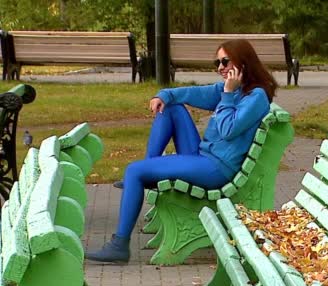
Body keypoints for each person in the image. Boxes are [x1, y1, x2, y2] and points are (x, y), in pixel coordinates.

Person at [85, 39, 279, 263]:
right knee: (172, 107)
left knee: (134, 171)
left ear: (243, 62)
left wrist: (227, 94)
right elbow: (193, 93)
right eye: (217, 62)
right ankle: (150, 171)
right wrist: (164, 95)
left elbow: (228, 130)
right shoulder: (234, 89)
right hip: (205, 156)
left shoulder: (254, 97)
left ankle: (119, 246)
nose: (220, 68)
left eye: (225, 61)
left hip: (217, 169)